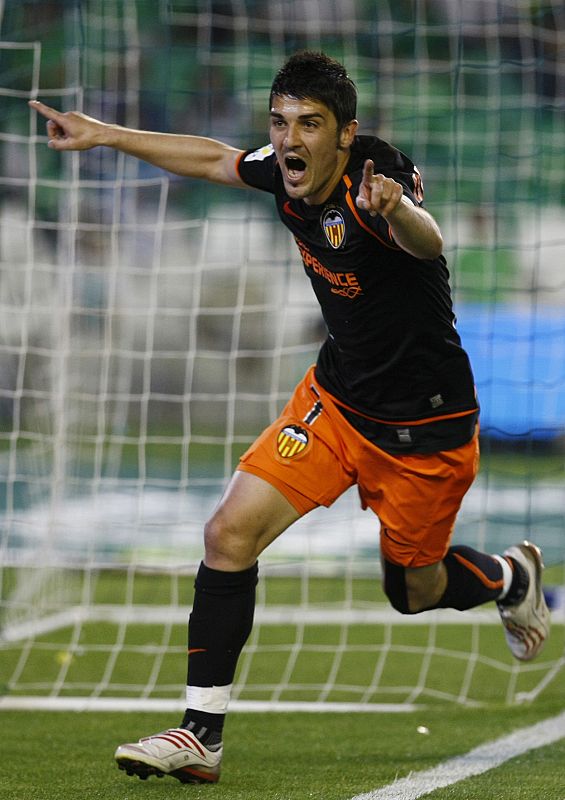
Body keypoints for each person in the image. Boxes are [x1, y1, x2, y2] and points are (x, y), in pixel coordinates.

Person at [30, 51, 550, 785]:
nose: (291, 139)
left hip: (423, 427)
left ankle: (506, 578)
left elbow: (426, 241)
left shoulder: (379, 183)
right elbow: (213, 159)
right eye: (280, 122)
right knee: (227, 531)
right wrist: (104, 133)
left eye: (310, 124)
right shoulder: (281, 166)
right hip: (334, 403)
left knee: (414, 592)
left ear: (347, 133)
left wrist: (396, 210)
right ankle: (199, 734)